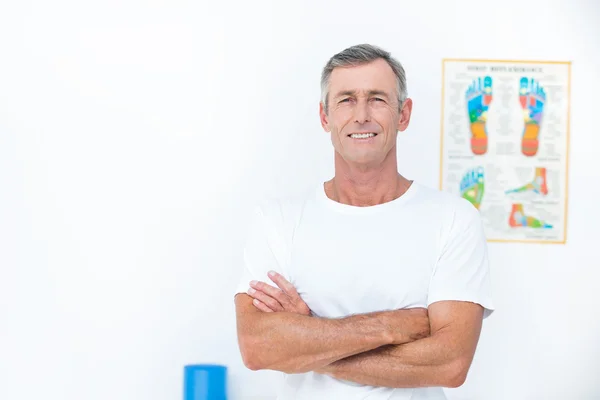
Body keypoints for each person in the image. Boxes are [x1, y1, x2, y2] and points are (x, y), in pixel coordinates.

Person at [233, 43, 494, 400]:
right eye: (345, 100)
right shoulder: (276, 220)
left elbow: (449, 365)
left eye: (377, 99)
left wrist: (308, 339)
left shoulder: (454, 219)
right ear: (325, 117)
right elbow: (258, 348)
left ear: (403, 114)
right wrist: (393, 325)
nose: (361, 115)